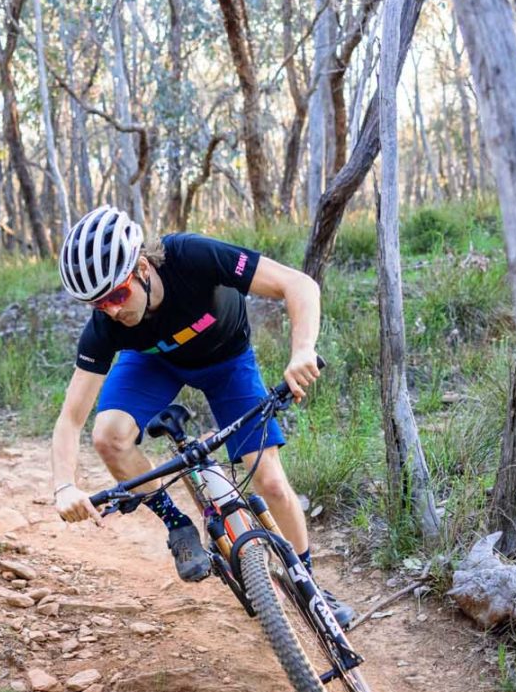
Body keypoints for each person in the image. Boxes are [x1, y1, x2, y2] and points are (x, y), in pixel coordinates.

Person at [48, 205, 352, 625]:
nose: (113, 311)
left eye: (116, 295)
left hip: (228, 361)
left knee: (271, 482)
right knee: (108, 436)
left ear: (141, 267)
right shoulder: (107, 326)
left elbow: (297, 284)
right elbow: (70, 419)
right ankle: (177, 526)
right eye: (98, 305)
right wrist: (64, 485)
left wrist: (302, 349)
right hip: (154, 366)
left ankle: (309, 587)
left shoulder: (190, 256)